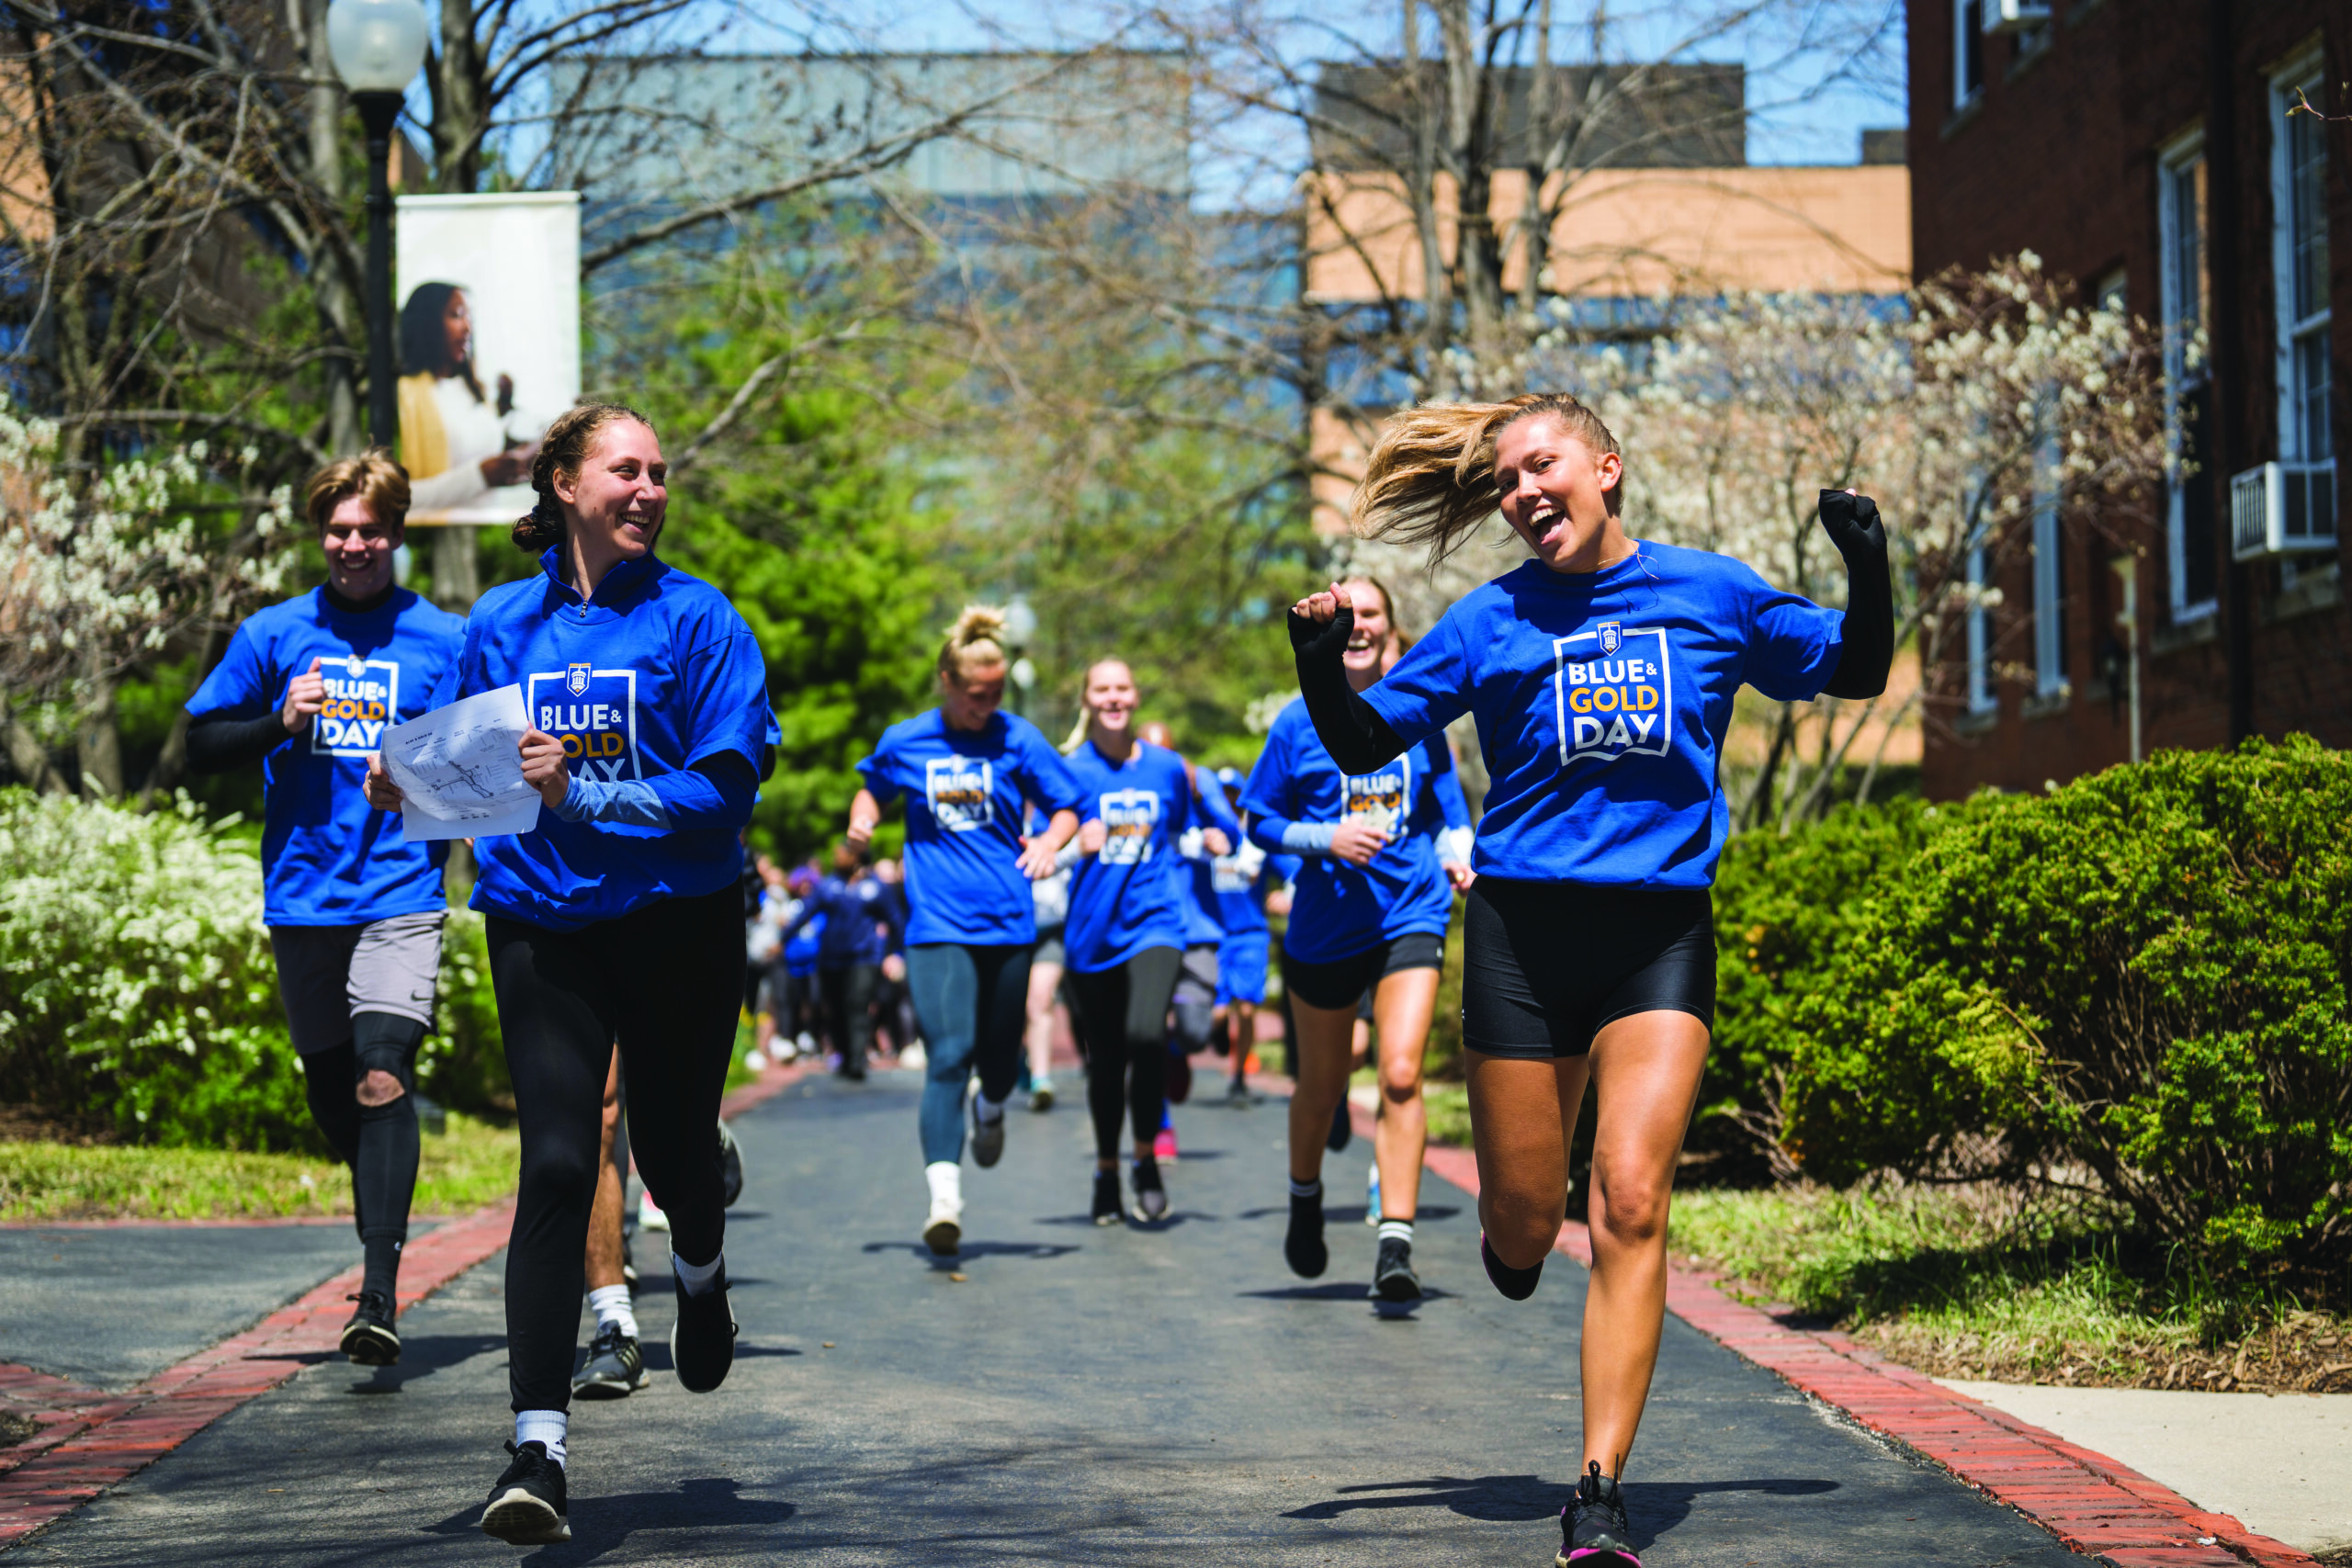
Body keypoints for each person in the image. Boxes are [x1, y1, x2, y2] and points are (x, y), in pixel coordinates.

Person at [1285, 393, 1891, 1568]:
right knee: (1524, 1223)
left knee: (1627, 1199)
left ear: (1605, 468)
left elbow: (1858, 668)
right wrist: (1320, 670)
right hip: (1521, 935)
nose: (1521, 491)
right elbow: (1363, 743)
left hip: (1658, 936)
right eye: (1506, 479)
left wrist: (1864, 556)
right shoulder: (1486, 619)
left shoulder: (1709, 594)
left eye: (1541, 465)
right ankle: (1511, 1242)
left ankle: (1599, 1487)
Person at [365, 402, 773, 1546]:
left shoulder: (700, 620)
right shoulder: (499, 621)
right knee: (553, 1162)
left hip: (675, 920)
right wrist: (409, 791)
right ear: (561, 483)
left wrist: (584, 793)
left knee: (681, 1148)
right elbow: (472, 770)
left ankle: (699, 1267)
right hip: (541, 920)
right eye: (624, 470)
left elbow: (724, 794)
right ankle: (536, 1446)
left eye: (659, 472)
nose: (648, 489)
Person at [183, 451, 465, 1368]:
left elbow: (484, 761)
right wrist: (279, 722)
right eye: (339, 529)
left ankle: (378, 1292)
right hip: (304, 897)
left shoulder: (443, 639)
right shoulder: (274, 635)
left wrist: (423, 784)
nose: (354, 544)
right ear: (321, 533)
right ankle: (379, 1214)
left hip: (400, 891)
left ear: (396, 532)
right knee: (334, 1091)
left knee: (383, 1073)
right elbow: (198, 743)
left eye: (371, 529)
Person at [1242, 575, 1474, 1303]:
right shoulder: (1293, 724)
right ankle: (1304, 1196)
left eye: (1371, 613)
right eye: (1349, 614)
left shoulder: (1420, 715)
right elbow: (1257, 820)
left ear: (1389, 628)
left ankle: (1395, 1242)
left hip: (1411, 911)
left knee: (1400, 1073)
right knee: (1321, 1085)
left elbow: (1449, 814)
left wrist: (1459, 851)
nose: (1360, 625)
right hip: (1324, 927)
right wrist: (1324, 836)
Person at [843, 606, 1082, 1254]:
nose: (988, 706)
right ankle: (944, 1197)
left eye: (998, 693)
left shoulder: (1017, 738)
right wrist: (862, 820)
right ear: (946, 680)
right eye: (977, 696)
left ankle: (993, 1103)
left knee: (999, 1062)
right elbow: (872, 787)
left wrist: (1050, 845)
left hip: (1007, 922)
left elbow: (1068, 807)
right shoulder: (908, 739)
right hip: (937, 924)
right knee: (949, 1053)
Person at [1055, 661, 1228, 1224]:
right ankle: (1107, 1170)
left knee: (1146, 1035)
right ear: (1087, 699)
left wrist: (1218, 835)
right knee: (1104, 1062)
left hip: (1156, 922)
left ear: (1135, 696)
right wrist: (1073, 845)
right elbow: (1040, 843)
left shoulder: (1167, 769)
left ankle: (1146, 1158)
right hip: (1091, 932)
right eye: (1101, 689)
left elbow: (1185, 824)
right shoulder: (1068, 771)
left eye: (1122, 688)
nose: (1113, 697)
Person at [1136, 719, 1245, 1156]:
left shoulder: (1200, 781)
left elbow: (1232, 833)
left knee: (1195, 1032)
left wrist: (1220, 829)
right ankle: (1159, 1122)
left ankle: (1179, 1048)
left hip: (1197, 925)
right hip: (1146, 925)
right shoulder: (1132, 788)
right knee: (1146, 1033)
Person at [395, 282, 538, 520]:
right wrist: (479, 476)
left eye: (469, 317)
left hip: (494, 525)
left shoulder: (475, 389)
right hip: (437, 533)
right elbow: (398, 497)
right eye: (457, 315)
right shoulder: (406, 394)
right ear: (428, 324)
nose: (467, 327)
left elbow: (483, 450)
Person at [1205, 766, 1294, 1105]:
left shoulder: (1255, 842)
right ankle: (1217, 1032)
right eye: (1222, 794)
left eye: (1233, 794)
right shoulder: (1210, 839)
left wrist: (1287, 895)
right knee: (1216, 1011)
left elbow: (1293, 873)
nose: (1228, 801)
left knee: (1245, 1010)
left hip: (1250, 937)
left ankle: (1239, 1076)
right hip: (1215, 939)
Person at [786, 841, 898, 1079]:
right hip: (831, 960)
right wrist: (782, 938)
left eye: (841, 854)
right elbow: (806, 914)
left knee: (857, 1005)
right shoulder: (828, 886)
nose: (836, 858)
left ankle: (858, 1060)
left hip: (864, 958)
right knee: (835, 1009)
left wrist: (896, 954)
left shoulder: (875, 888)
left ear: (856, 857)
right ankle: (845, 1056)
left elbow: (895, 921)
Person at [1022, 840, 1071, 1110]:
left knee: (1039, 999)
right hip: (1010, 925)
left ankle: (1041, 1079)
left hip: (1052, 929)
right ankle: (1017, 1057)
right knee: (1009, 1003)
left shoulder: (1065, 813)